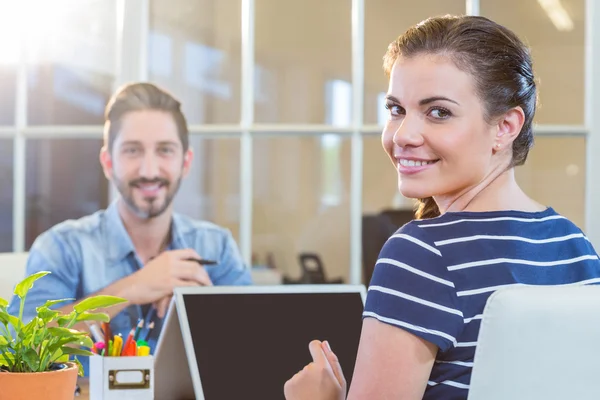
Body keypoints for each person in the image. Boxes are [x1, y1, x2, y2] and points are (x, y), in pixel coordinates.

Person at [284, 15, 600, 400]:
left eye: (438, 112)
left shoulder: (420, 254)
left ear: (504, 127)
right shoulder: (574, 243)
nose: (403, 135)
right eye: (397, 109)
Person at [8, 82, 252, 373]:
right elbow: (19, 350)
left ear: (186, 162)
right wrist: (134, 288)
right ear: (108, 163)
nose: (149, 170)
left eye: (165, 150)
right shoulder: (61, 247)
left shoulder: (217, 247)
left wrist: (202, 313)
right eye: (132, 151)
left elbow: (255, 348)